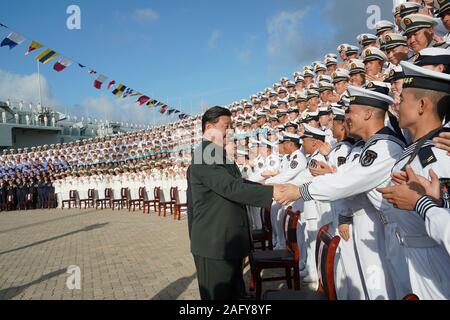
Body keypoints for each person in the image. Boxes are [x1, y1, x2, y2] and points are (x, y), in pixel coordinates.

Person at [188, 106, 282, 300]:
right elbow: (231, 188)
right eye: (226, 126)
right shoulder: (206, 155)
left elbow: (236, 183)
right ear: (209, 127)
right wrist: (273, 193)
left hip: (225, 241)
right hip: (215, 244)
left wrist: (264, 185)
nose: (230, 132)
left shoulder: (214, 153)